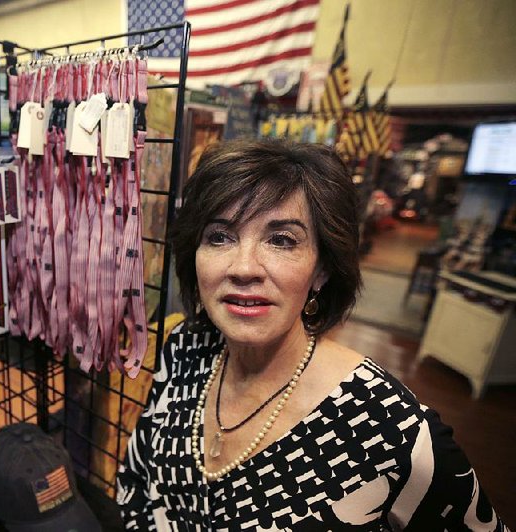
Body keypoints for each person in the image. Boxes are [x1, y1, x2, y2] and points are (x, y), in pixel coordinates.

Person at [116, 139, 509, 530]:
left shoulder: (388, 430)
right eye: (220, 236)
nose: (244, 267)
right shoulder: (185, 346)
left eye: (281, 240)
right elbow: (137, 480)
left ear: (322, 268)